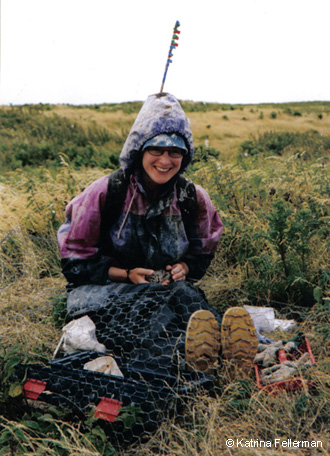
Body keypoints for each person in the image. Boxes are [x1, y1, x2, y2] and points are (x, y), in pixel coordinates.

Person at [57, 92, 258, 375]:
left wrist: (184, 267)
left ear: (184, 156)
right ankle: (175, 368)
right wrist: (127, 274)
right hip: (100, 292)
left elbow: (200, 256)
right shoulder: (105, 193)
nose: (165, 160)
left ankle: (218, 355)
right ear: (140, 151)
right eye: (157, 149)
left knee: (183, 295)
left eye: (175, 151)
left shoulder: (192, 198)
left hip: (163, 287)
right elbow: (75, 266)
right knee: (161, 308)